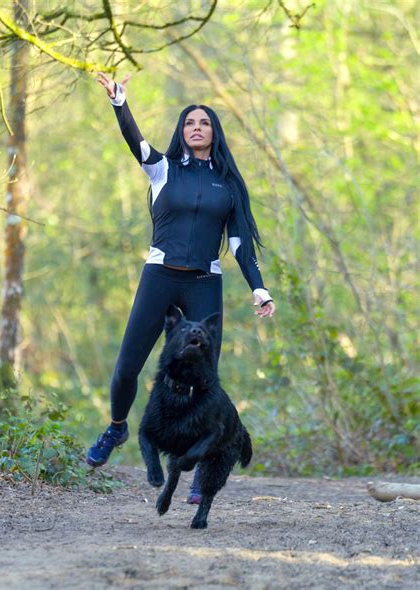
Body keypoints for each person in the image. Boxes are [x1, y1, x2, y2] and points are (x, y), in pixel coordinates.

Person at [87, 72, 276, 504]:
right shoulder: (162, 168)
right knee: (126, 369)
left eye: (204, 123)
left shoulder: (228, 186)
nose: (196, 127)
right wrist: (120, 103)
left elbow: (241, 244)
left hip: (204, 285)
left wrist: (259, 289)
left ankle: (200, 471)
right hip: (160, 276)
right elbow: (135, 141)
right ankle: (116, 428)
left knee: (206, 384)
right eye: (189, 122)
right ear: (181, 130)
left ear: (214, 132)